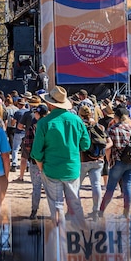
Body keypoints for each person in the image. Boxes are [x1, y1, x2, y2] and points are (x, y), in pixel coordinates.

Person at [29, 86, 91, 226]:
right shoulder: (76, 120)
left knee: (56, 205)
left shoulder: (43, 123)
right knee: (75, 203)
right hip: (72, 168)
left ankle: (59, 236)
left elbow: (36, 152)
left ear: (50, 103)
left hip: (51, 169)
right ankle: (80, 235)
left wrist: (41, 166)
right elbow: (86, 145)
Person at [99, 108, 131, 218]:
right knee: (127, 186)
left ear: (116, 117)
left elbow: (108, 148)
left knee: (110, 188)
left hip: (118, 161)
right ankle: (126, 213)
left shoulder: (112, 129)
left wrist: (109, 160)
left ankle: (101, 212)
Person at [77, 104, 109, 220]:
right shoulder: (99, 126)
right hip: (98, 159)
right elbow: (108, 142)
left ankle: (76, 211)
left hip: (83, 160)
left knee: (76, 187)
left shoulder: (79, 126)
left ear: (80, 114)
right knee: (96, 185)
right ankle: (96, 211)